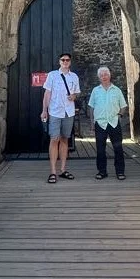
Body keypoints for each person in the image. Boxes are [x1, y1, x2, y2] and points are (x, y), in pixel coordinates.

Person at [41, 53, 80, 184]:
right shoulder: (52, 75)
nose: (65, 62)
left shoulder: (74, 76)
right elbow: (47, 93)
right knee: (54, 139)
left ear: (70, 62)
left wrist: (74, 96)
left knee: (64, 139)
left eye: (67, 60)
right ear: (59, 61)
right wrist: (44, 110)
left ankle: (62, 170)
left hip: (69, 112)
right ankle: (53, 171)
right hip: (55, 112)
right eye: (63, 60)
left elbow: (77, 92)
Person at [88, 66, 127, 180]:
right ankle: (102, 171)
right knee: (100, 149)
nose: (104, 77)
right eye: (101, 75)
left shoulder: (117, 90)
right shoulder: (96, 90)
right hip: (100, 123)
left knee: (118, 148)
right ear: (99, 78)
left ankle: (120, 172)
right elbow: (91, 107)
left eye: (105, 74)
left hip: (114, 123)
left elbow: (123, 106)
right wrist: (92, 122)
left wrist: (119, 115)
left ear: (109, 75)